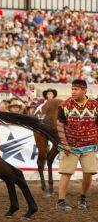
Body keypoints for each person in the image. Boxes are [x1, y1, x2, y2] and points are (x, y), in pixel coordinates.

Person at [56, 79, 98, 210]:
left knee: (89, 172)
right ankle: (60, 201)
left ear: (84, 90)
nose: (73, 92)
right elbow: (59, 125)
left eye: (76, 89)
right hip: (70, 146)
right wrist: (64, 143)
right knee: (66, 173)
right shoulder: (65, 105)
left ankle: (83, 198)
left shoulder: (95, 105)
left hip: (89, 145)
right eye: (72, 89)